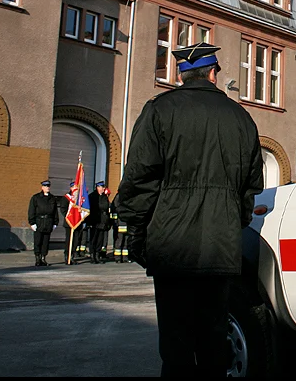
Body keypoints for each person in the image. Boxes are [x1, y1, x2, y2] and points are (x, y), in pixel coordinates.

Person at [118, 41, 264, 377]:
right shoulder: (242, 119)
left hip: (171, 246)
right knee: (214, 341)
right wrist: (233, 226)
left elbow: (139, 179)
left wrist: (138, 235)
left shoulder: (159, 110)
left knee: (176, 346)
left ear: (182, 75)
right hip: (220, 248)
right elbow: (250, 187)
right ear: (214, 73)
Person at [27, 180, 59, 266]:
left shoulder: (52, 198)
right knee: (38, 241)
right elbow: (31, 211)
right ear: (42, 187)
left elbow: (55, 212)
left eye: (48, 186)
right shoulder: (36, 198)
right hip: (39, 221)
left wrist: (55, 222)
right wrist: (32, 222)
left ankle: (43, 258)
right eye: (45, 186)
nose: (47, 188)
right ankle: (37, 258)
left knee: (45, 242)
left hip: (48, 222)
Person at [88, 181, 111, 264]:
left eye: (103, 187)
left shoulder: (104, 197)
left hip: (103, 221)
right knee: (93, 238)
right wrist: (89, 222)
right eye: (101, 187)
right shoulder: (92, 196)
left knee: (100, 239)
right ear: (97, 187)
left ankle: (97, 255)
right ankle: (92, 255)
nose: (103, 188)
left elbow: (107, 208)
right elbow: (89, 210)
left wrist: (108, 222)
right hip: (95, 220)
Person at [60, 182, 81, 265]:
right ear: (71, 188)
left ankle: (72, 256)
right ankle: (67, 256)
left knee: (76, 240)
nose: (76, 189)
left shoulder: (79, 199)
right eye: (74, 188)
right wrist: (70, 217)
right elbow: (63, 209)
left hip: (77, 222)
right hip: (69, 222)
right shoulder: (66, 198)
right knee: (69, 240)